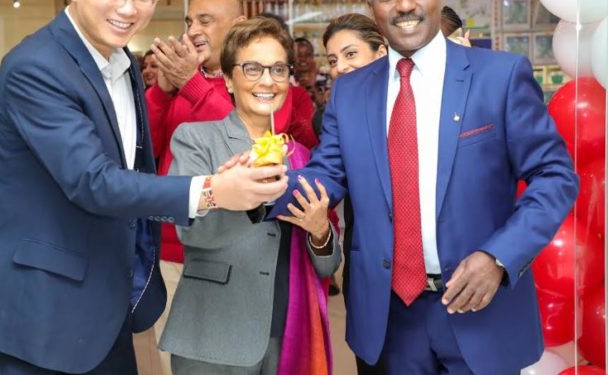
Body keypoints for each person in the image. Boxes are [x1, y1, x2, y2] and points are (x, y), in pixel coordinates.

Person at [0, 1, 289, 374]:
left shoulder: (121, 62)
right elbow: (93, 181)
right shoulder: (37, 66)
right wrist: (211, 191)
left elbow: (132, 165)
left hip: (105, 308)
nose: (129, 8)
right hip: (39, 316)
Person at [266, 0, 579, 373]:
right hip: (392, 320)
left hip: (481, 310)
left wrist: (498, 257)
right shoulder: (350, 92)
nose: (404, 5)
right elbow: (325, 176)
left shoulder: (501, 75)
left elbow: (554, 175)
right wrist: (261, 185)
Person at [161, 17, 340, 374]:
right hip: (215, 331)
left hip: (289, 331)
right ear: (228, 78)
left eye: (277, 68)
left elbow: (327, 265)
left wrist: (320, 232)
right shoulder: (195, 139)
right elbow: (191, 233)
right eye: (252, 68)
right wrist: (237, 195)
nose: (267, 80)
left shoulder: (300, 154)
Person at [320, 13, 388, 298]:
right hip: (368, 262)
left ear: (381, 53)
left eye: (351, 54)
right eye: (333, 60)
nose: (340, 68)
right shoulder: (336, 116)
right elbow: (325, 174)